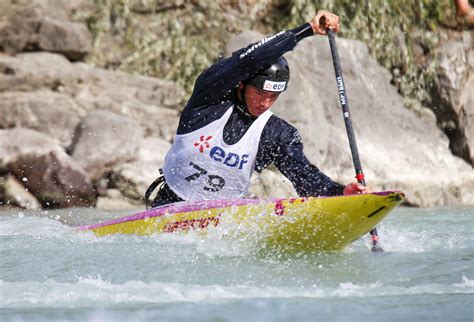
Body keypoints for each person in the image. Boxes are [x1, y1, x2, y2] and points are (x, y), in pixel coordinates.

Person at [146, 10, 370, 209]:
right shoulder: (207, 101)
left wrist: (340, 192)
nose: (265, 103)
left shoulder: (276, 134)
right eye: (260, 93)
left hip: (226, 224)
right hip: (170, 206)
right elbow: (248, 60)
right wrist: (306, 30)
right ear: (242, 85)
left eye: (273, 96)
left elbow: (304, 176)